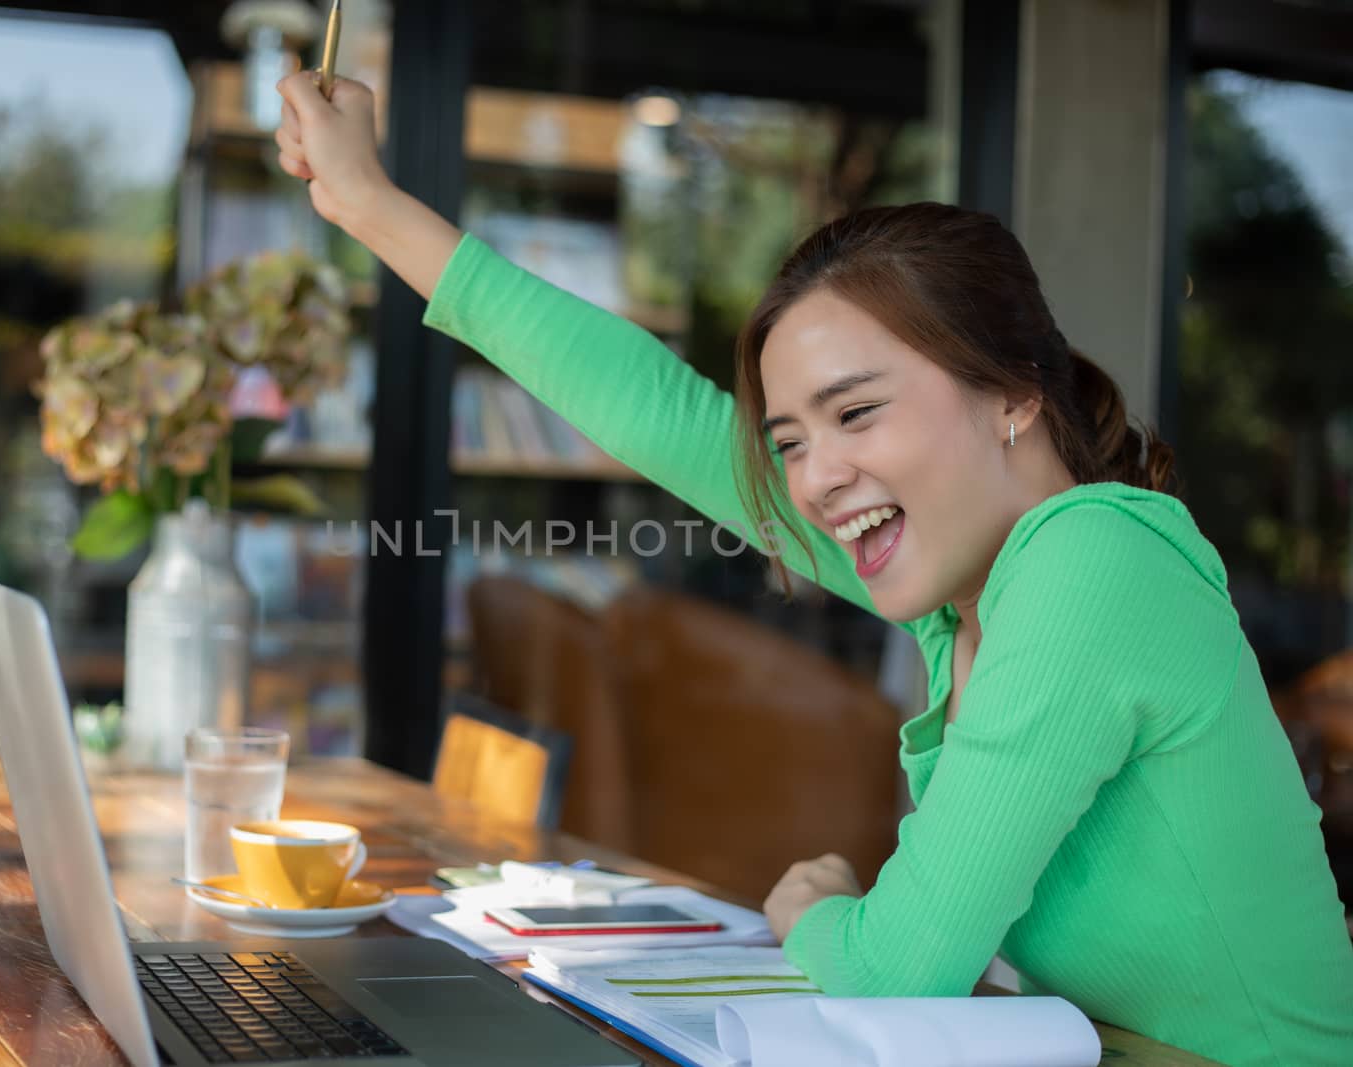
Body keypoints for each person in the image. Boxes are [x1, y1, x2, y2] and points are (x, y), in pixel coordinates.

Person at [274, 72, 1353, 1066]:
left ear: (1015, 394)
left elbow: (892, 965)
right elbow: (657, 413)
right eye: (789, 439)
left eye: (858, 410)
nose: (815, 476)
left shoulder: (1090, 562)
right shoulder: (967, 594)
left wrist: (816, 907)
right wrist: (365, 202)